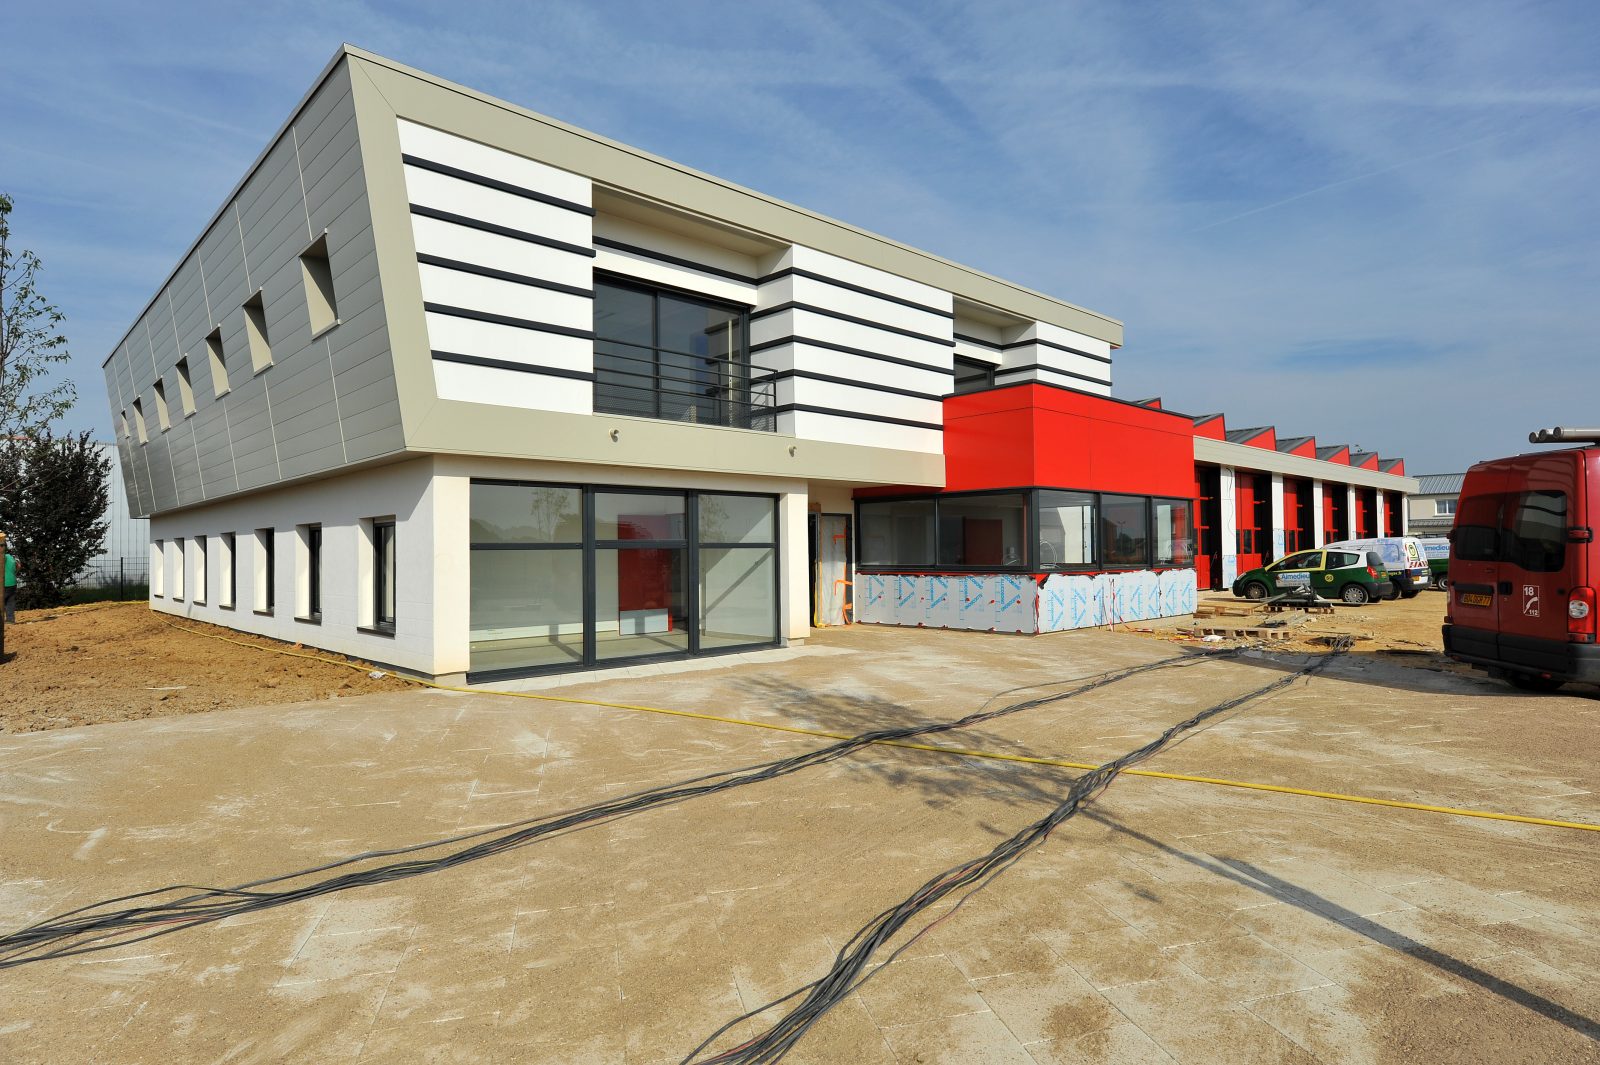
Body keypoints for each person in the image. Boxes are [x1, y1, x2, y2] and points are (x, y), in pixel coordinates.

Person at [2, 535, 16, 624]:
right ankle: (10, 620)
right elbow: (18, 566)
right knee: (9, 602)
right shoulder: (11, 557)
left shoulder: (2, 557)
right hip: (12, 583)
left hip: (4, 584)